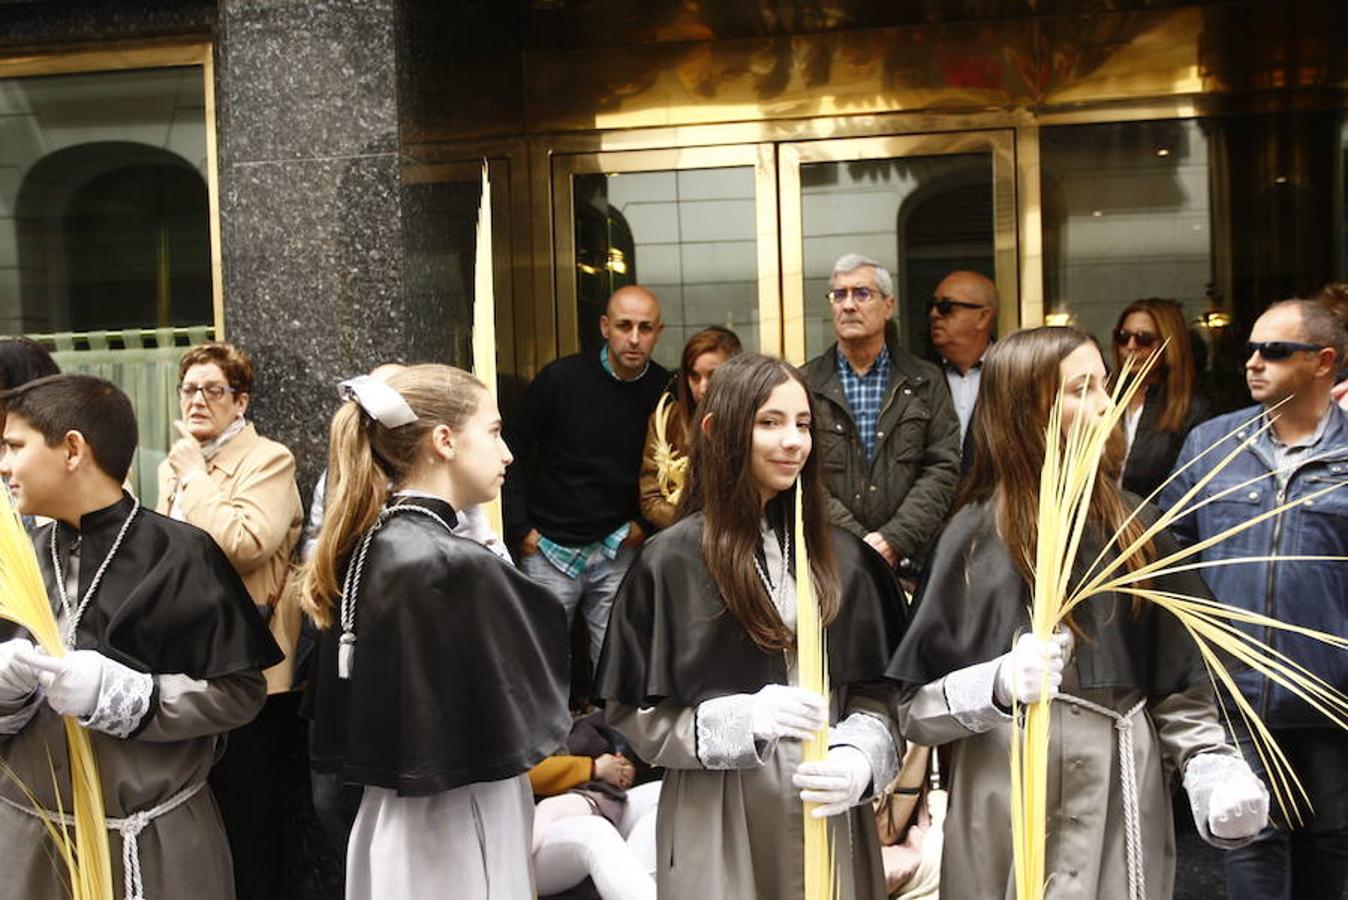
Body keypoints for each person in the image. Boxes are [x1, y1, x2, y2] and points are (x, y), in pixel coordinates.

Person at [888, 326, 1268, 899]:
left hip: (1119, 786)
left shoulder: (1138, 530)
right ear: (1023, 408)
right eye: (1078, 390)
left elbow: (1179, 688)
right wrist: (993, 683)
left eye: (1103, 387)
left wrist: (1211, 767)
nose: (1102, 407)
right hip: (1004, 786)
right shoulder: (968, 539)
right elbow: (913, 711)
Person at [596, 352, 910, 899]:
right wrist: (744, 718)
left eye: (803, 424)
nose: (793, 441)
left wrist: (860, 757)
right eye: (770, 422)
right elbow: (635, 713)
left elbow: (882, 696)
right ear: (719, 429)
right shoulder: (672, 561)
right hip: (720, 810)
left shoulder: (847, 558)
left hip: (828, 802)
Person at [0, 373, 281, 900]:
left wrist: (125, 697)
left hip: (149, 847)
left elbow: (240, 693)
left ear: (72, 449)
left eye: (14, 446)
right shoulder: (17, 558)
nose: (3, 466)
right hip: (32, 844)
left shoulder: (180, 554)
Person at [302, 365, 571, 900]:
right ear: (444, 441)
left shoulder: (365, 546)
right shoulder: (451, 563)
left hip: (391, 821)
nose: (509, 453)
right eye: (494, 432)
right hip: (463, 819)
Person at [1161, 299, 1348, 900]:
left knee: (1330, 840)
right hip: (1234, 689)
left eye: (1274, 350)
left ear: (1323, 362)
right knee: (1250, 837)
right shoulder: (1212, 444)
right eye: (1250, 349)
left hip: (1331, 694)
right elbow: (1166, 552)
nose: (1254, 362)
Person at [154, 341, 304, 900]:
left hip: (250, 666)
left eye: (212, 390)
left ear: (239, 401)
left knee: (250, 817)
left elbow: (243, 545)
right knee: (205, 809)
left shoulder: (267, 458)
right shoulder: (180, 462)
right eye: (188, 389)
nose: (197, 400)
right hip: (187, 661)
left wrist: (194, 476)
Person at [504, 285, 669, 675]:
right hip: (548, 546)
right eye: (624, 325)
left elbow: (676, 469)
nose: (634, 338)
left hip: (618, 547)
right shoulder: (561, 380)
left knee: (616, 667)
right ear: (604, 327)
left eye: (645, 328)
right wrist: (520, 528)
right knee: (541, 666)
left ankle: (606, 736)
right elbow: (510, 449)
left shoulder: (665, 390)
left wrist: (644, 526)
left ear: (658, 332)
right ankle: (548, 738)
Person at [802, 253, 961, 573]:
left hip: (911, 565)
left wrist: (894, 539)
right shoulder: (805, 383)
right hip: (833, 563)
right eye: (839, 295)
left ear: (888, 306)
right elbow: (802, 474)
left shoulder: (925, 380)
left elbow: (942, 466)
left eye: (862, 293)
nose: (848, 305)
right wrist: (858, 543)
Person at [530, 713, 659, 900]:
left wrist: (619, 768)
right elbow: (522, 774)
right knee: (595, 832)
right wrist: (593, 768)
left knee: (663, 796)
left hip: (594, 802)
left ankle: (626, 887)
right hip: (524, 837)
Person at [638, 325, 742, 530]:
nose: (703, 388)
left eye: (713, 375)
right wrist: (692, 529)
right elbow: (650, 498)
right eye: (695, 377)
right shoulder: (666, 421)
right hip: (681, 540)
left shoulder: (754, 420)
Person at [1111, 299, 1211, 498]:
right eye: (1123, 337)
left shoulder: (1192, 411)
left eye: (1144, 338)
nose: (1131, 346)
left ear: (1169, 344)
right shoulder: (1104, 399)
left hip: (1154, 524)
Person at [929, 269, 998, 464]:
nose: (934, 314)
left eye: (946, 306)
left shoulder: (1014, 374)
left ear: (982, 317)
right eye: (932, 305)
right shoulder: (918, 377)